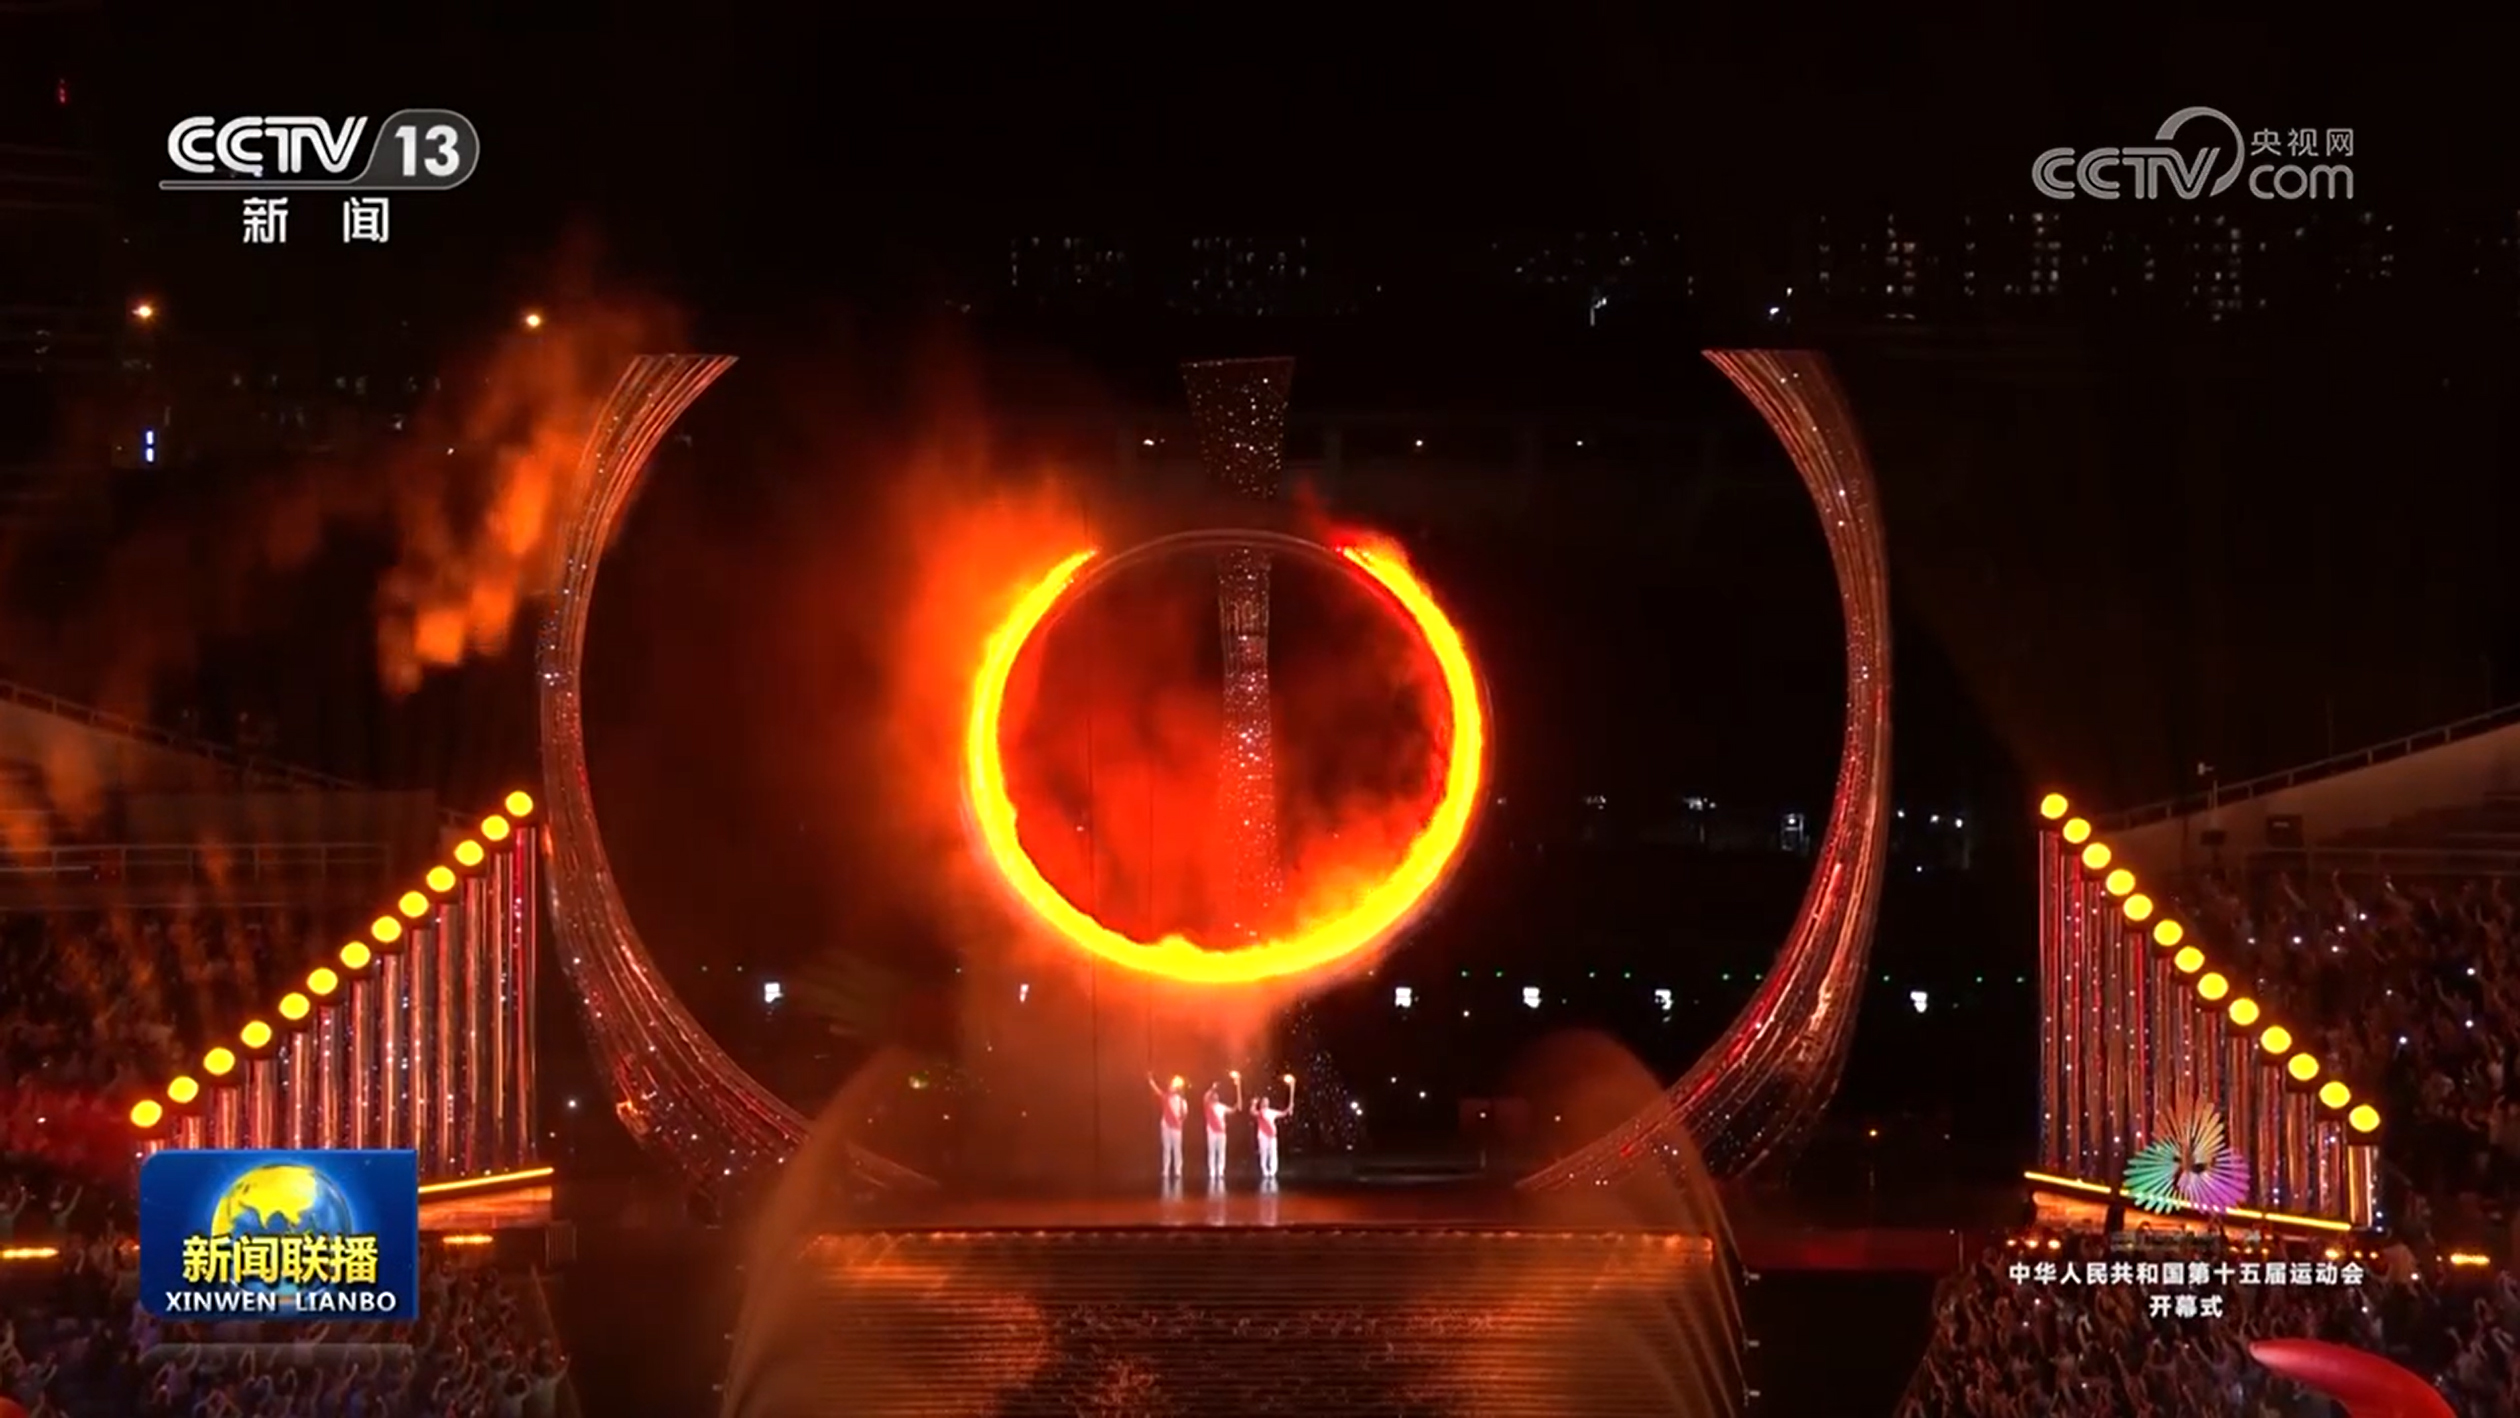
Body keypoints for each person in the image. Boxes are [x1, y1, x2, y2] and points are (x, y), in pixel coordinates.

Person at [1145, 1072, 1188, 1180]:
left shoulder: (1182, 1101)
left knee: (1177, 1149)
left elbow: (1184, 1114)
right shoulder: (1166, 1097)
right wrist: (1151, 1080)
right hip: (1166, 1126)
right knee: (1166, 1148)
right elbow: (1157, 1090)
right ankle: (1166, 1170)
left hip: (1176, 1127)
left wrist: (1180, 1120)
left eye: (1172, 1087)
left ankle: (1178, 1170)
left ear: (1176, 1089)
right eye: (1170, 1087)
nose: (1170, 1088)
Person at [1252, 1086, 1292, 1181]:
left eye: (1267, 1101)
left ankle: (1273, 1171)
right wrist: (1253, 1103)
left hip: (1272, 1135)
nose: (1266, 1103)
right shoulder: (1259, 1113)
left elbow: (1283, 1113)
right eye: (1264, 1101)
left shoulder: (1272, 1112)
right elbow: (1252, 1112)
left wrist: (1289, 1108)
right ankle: (1265, 1171)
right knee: (1264, 1153)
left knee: (1273, 1153)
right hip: (1263, 1136)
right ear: (1261, 1103)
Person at [1201, 1084, 1234, 1182]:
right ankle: (1212, 1171)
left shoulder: (1222, 1106)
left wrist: (1237, 1106)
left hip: (1221, 1132)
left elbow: (1232, 1111)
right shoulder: (1208, 1106)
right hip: (1211, 1131)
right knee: (1212, 1152)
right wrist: (1212, 1088)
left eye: (1217, 1096)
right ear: (1211, 1097)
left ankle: (1220, 1171)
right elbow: (1205, 1097)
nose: (1216, 1097)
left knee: (1221, 1152)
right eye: (1214, 1096)